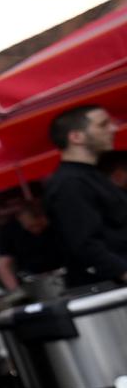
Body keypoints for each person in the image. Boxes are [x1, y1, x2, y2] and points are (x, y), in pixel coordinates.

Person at [43, 105, 127, 288]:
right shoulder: (69, 183)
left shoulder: (89, 176)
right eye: (103, 125)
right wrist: (122, 272)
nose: (113, 129)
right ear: (76, 137)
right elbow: (84, 244)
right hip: (107, 290)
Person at [0, 199, 62, 291]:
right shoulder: (9, 231)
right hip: (31, 281)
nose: (36, 230)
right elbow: (3, 266)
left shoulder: (55, 223)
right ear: (20, 219)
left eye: (40, 225)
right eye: (31, 226)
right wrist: (16, 291)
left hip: (63, 273)